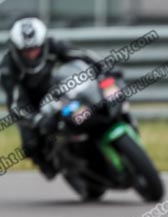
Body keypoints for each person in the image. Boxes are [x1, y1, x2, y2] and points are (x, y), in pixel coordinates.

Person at [0, 17, 102, 179]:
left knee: (98, 102)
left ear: (43, 44)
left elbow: (81, 56)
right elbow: (15, 105)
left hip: (58, 90)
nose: (31, 55)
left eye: (35, 49)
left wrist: (103, 69)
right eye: (26, 51)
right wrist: (37, 120)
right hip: (30, 105)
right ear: (16, 49)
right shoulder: (8, 68)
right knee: (31, 146)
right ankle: (53, 162)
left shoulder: (53, 46)